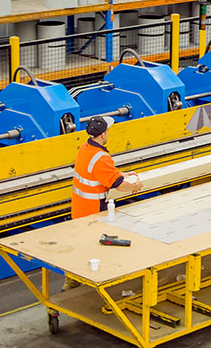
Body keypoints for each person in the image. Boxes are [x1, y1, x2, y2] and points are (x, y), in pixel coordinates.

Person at [63, 115, 143, 294]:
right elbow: (119, 185)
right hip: (93, 211)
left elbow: (97, 173)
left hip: (79, 207)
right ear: (102, 134)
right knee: (94, 246)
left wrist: (120, 173)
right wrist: (134, 185)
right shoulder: (101, 158)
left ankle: (71, 281)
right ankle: (92, 282)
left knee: (81, 245)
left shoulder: (85, 148)